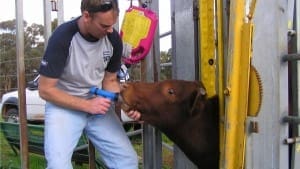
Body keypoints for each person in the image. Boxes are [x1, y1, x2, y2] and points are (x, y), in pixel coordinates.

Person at [38, 0, 140, 168]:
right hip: (63, 106)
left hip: (97, 104)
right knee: (58, 166)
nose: (110, 30)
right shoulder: (63, 37)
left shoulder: (113, 39)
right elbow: (45, 90)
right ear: (86, 16)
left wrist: (126, 105)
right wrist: (86, 105)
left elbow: (110, 80)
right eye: (104, 25)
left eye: (112, 25)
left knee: (127, 161)